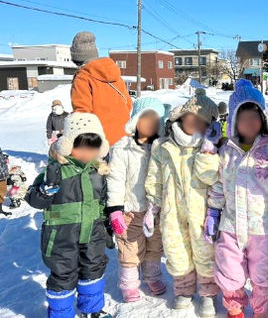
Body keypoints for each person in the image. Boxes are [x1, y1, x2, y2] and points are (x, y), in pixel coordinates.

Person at [206, 80, 268, 318]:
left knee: (263, 275)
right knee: (230, 273)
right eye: (243, 116)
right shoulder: (227, 151)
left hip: (264, 227)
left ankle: (261, 310)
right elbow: (218, 185)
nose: (249, 122)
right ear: (234, 120)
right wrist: (213, 213)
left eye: (254, 116)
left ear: (263, 119)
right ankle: (235, 308)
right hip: (231, 226)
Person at [25, 113, 112, 318]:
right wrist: (44, 190)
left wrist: (107, 224)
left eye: (93, 147)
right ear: (68, 145)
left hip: (93, 233)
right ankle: (61, 314)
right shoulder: (55, 170)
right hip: (60, 237)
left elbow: (103, 201)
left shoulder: (99, 172)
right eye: (81, 146)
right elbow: (33, 199)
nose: (87, 152)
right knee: (63, 275)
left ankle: (91, 310)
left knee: (93, 268)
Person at [145, 92, 221, 317]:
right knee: (176, 251)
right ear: (181, 116)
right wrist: (152, 207)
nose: (194, 122)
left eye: (201, 120)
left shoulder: (211, 148)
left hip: (202, 212)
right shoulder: (163, 147)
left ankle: (208, 293)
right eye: (191, 116)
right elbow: (154, 178)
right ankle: (184, 289)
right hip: (172, 212)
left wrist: (208, 150)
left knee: (206, 252)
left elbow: (211, 177)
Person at [106, 97, 166, 302]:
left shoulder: (161, 148)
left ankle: (152, 276)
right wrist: (115, 209)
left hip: (155, 209)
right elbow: (115, 179)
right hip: (130, 209)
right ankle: (130, 283)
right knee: (129, 247)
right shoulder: (123, 147)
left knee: (154, 246)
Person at [70, 31, 132, 146]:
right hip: (124, 138)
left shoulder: (83, 78)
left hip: (100, 142)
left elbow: (82, 115)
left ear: (76, 57)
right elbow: (128, 103)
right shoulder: (116, 75)